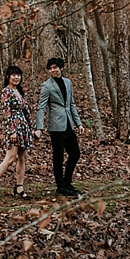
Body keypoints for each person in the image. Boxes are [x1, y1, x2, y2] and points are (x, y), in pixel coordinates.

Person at [35, 57, 85, 196]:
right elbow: (41, 107)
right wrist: (39, 127)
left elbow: (71, 104)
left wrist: (78, 123)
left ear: (61, 68)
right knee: (58, 156)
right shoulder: (46, 86)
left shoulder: (68, 83)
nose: (53, 70)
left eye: (55, 68)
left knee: (75, 153)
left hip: (68, 123)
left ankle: (67, 182)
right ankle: (60, 187)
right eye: (50, 68)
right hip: (56, 125)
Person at [0, 65, 33, 201]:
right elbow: (7, 113)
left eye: (18, 75)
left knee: (23, 158)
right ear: (8, 77)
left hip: (24, 128)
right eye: (14, 75)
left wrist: (31, 128)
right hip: (14, 128)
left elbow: (26, 111)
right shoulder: (6, 92)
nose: (17, 77)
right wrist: (12, 131)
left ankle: (19, 187)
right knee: (10, 158)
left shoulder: (19, 91)